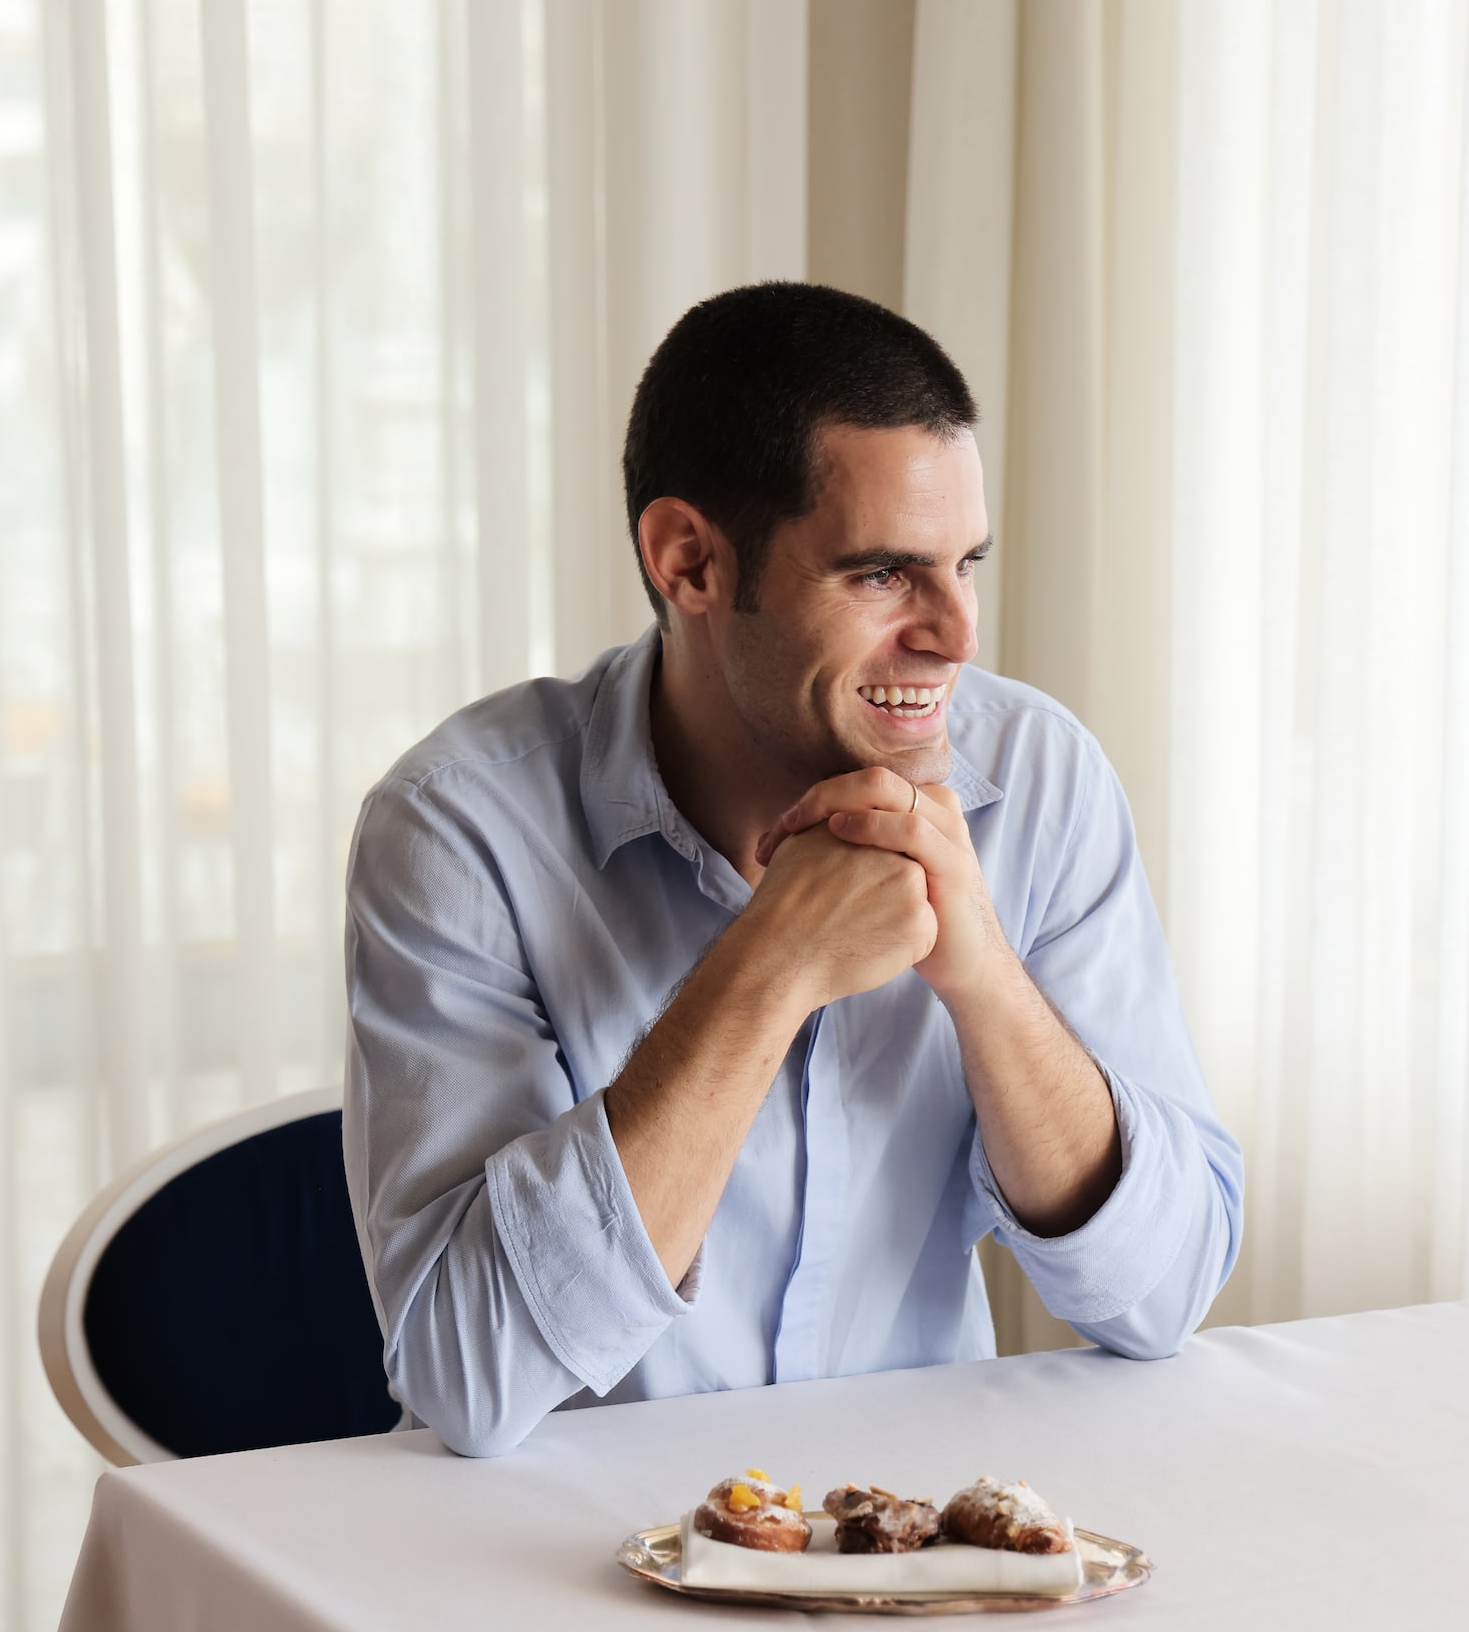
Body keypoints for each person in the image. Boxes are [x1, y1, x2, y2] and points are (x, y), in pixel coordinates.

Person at [343, 281, 1242, 1458]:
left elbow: (1165, 1291)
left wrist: (985, 981)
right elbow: (468, 1369)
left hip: (916, 1555)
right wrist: (770, 967)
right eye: (882, 574)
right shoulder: (459, 827)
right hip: (562, 1574)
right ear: (690, 561)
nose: (957, 632)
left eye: (965, 562)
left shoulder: (1041, 782)